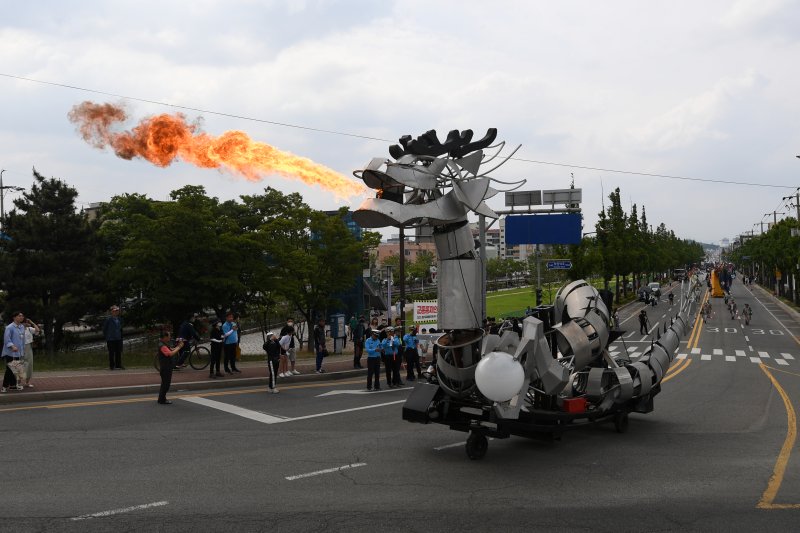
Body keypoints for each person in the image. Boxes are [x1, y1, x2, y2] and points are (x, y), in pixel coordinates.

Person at [157, 330, 184, 404]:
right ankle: (162, 400)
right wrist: (179, 347)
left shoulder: (164, 344)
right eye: (169, 336)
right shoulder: (162, 346)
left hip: (167, 367)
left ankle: (161, 399)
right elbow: (170, 354)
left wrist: (179, 346)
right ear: (165, 337)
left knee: (165, 384)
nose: (170, 337)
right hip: (165, 368)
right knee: (166, 384)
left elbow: (172, 349)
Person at [1, 311, 26, 393]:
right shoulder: (9, 327)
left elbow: (22, 339)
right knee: (10, 369)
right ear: (14, 317)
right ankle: (4, 386)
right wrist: (12, 346)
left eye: (22, 316)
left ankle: (13, 385)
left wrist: (23, 350)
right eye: (19, 316)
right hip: (10, 352)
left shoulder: (22, 327)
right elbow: (7, 339)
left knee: (15, 369)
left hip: (18, 352)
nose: (21, 317)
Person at [102, 305, 124, 370]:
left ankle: (118, 365)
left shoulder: (119, 319)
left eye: (117, 311)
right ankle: (112, 365)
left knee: (118, 352)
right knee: (111, 352)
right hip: (110, 339)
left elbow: (120, 328)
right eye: (114, 311)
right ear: (111, 311)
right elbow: (104, 329)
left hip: (118, 338)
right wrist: (107, 336)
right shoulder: (108, 319)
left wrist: (121, 335)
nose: (116, 312)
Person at [20, 317, 40, 388]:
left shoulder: (29, 329)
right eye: (27, 322)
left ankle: (27, 382)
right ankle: (18, 382)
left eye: (29, 322)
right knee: (21, 365)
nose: (28, 323)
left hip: (29, 347)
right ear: (23, 323)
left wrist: (32, 322)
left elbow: (37, 330)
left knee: (29, 364)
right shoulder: (18, 329)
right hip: (20, 348)